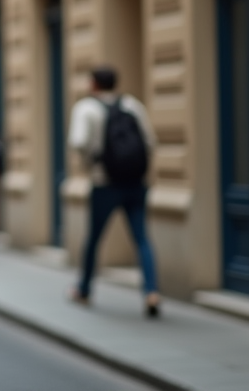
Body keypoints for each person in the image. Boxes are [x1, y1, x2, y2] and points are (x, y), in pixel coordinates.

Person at [68, 65, 161, 318]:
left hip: (104, 183)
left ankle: (84, 288)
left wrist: (92, 158)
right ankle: (151, 291)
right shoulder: (132, 105)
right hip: (135, 183)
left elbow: (77, 142)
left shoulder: (86, 108)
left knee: (95, 238)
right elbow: (150, 142)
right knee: (142, 238)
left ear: (93, 84)